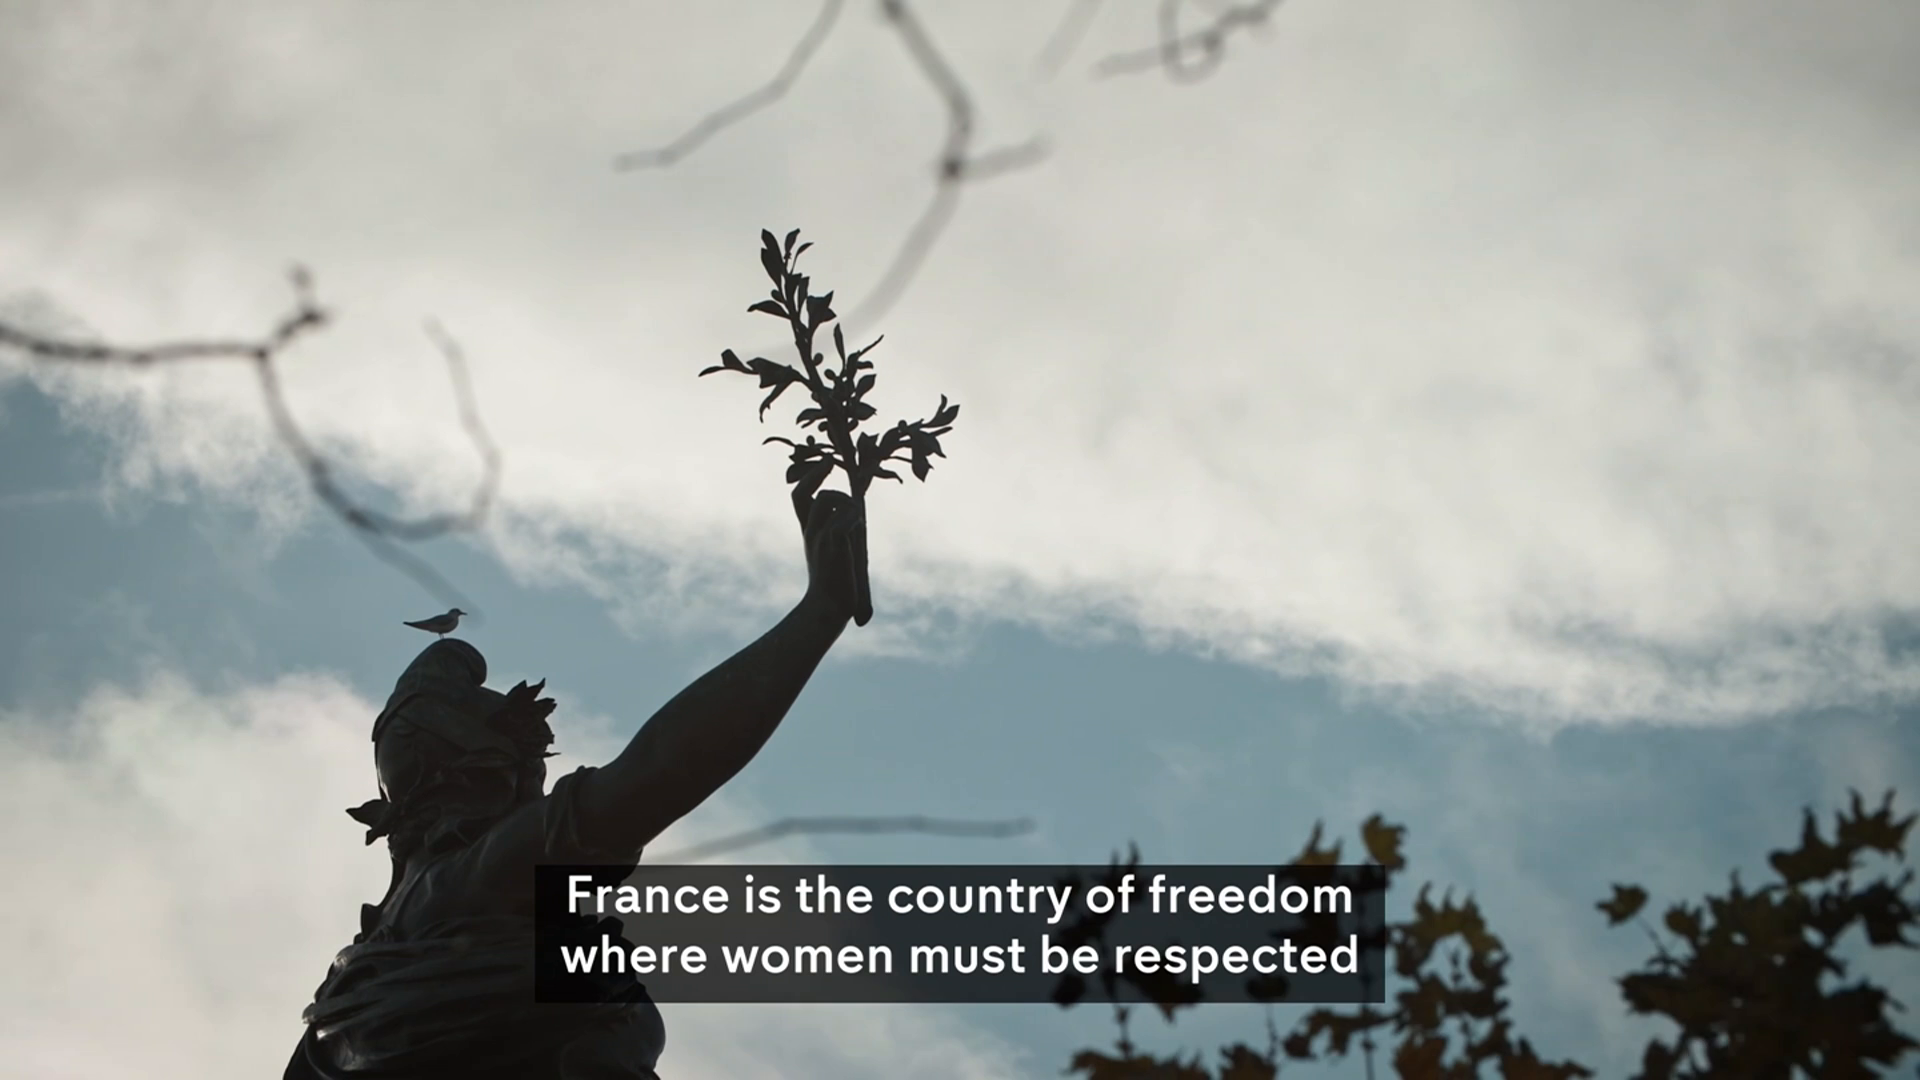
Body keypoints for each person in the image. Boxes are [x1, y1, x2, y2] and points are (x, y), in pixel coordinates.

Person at [285, 471, 865, 1079]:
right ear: (491, 772)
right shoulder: (484, 876)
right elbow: (661, 769)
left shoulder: (352, 974)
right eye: (530, 761)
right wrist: (818, 614)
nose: (539, 782)